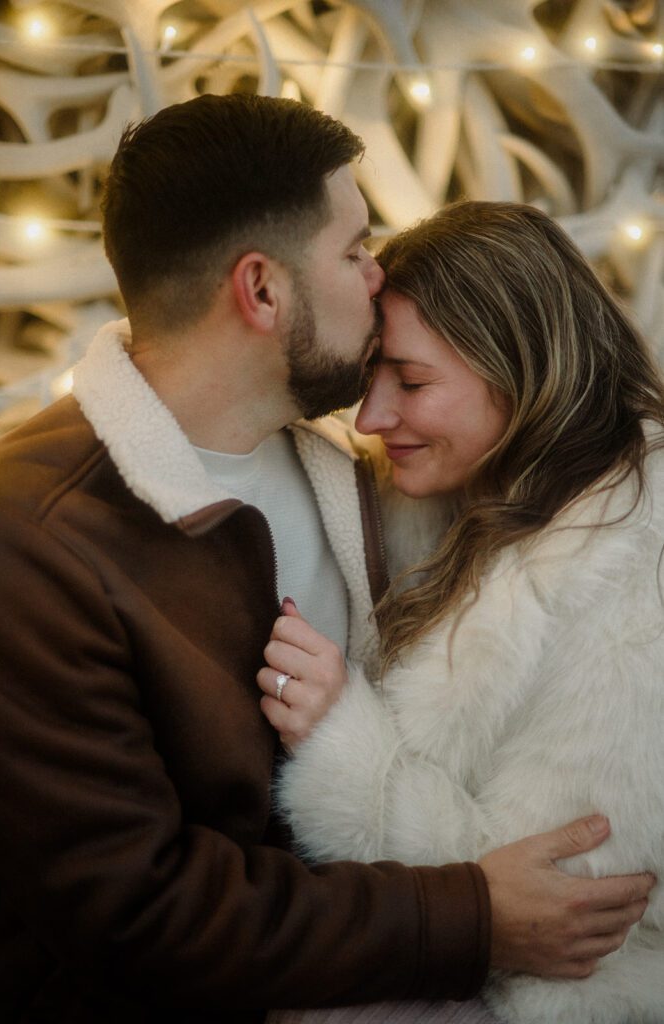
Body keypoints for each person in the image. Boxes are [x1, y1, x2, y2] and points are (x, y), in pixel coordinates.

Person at [0, 98, 653, 1024]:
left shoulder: (362, 475)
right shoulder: (27, 534)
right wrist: (468, 915)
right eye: (352, 249)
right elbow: (136, 910)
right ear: (260, 290)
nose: (377, 274)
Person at [259, 200, 664, 1024]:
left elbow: (563, 908)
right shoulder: (463, 505)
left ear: (521, 369)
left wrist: (344, 748)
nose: (370, 419)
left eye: (409, 381)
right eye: (371, 377)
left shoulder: (635, 571)